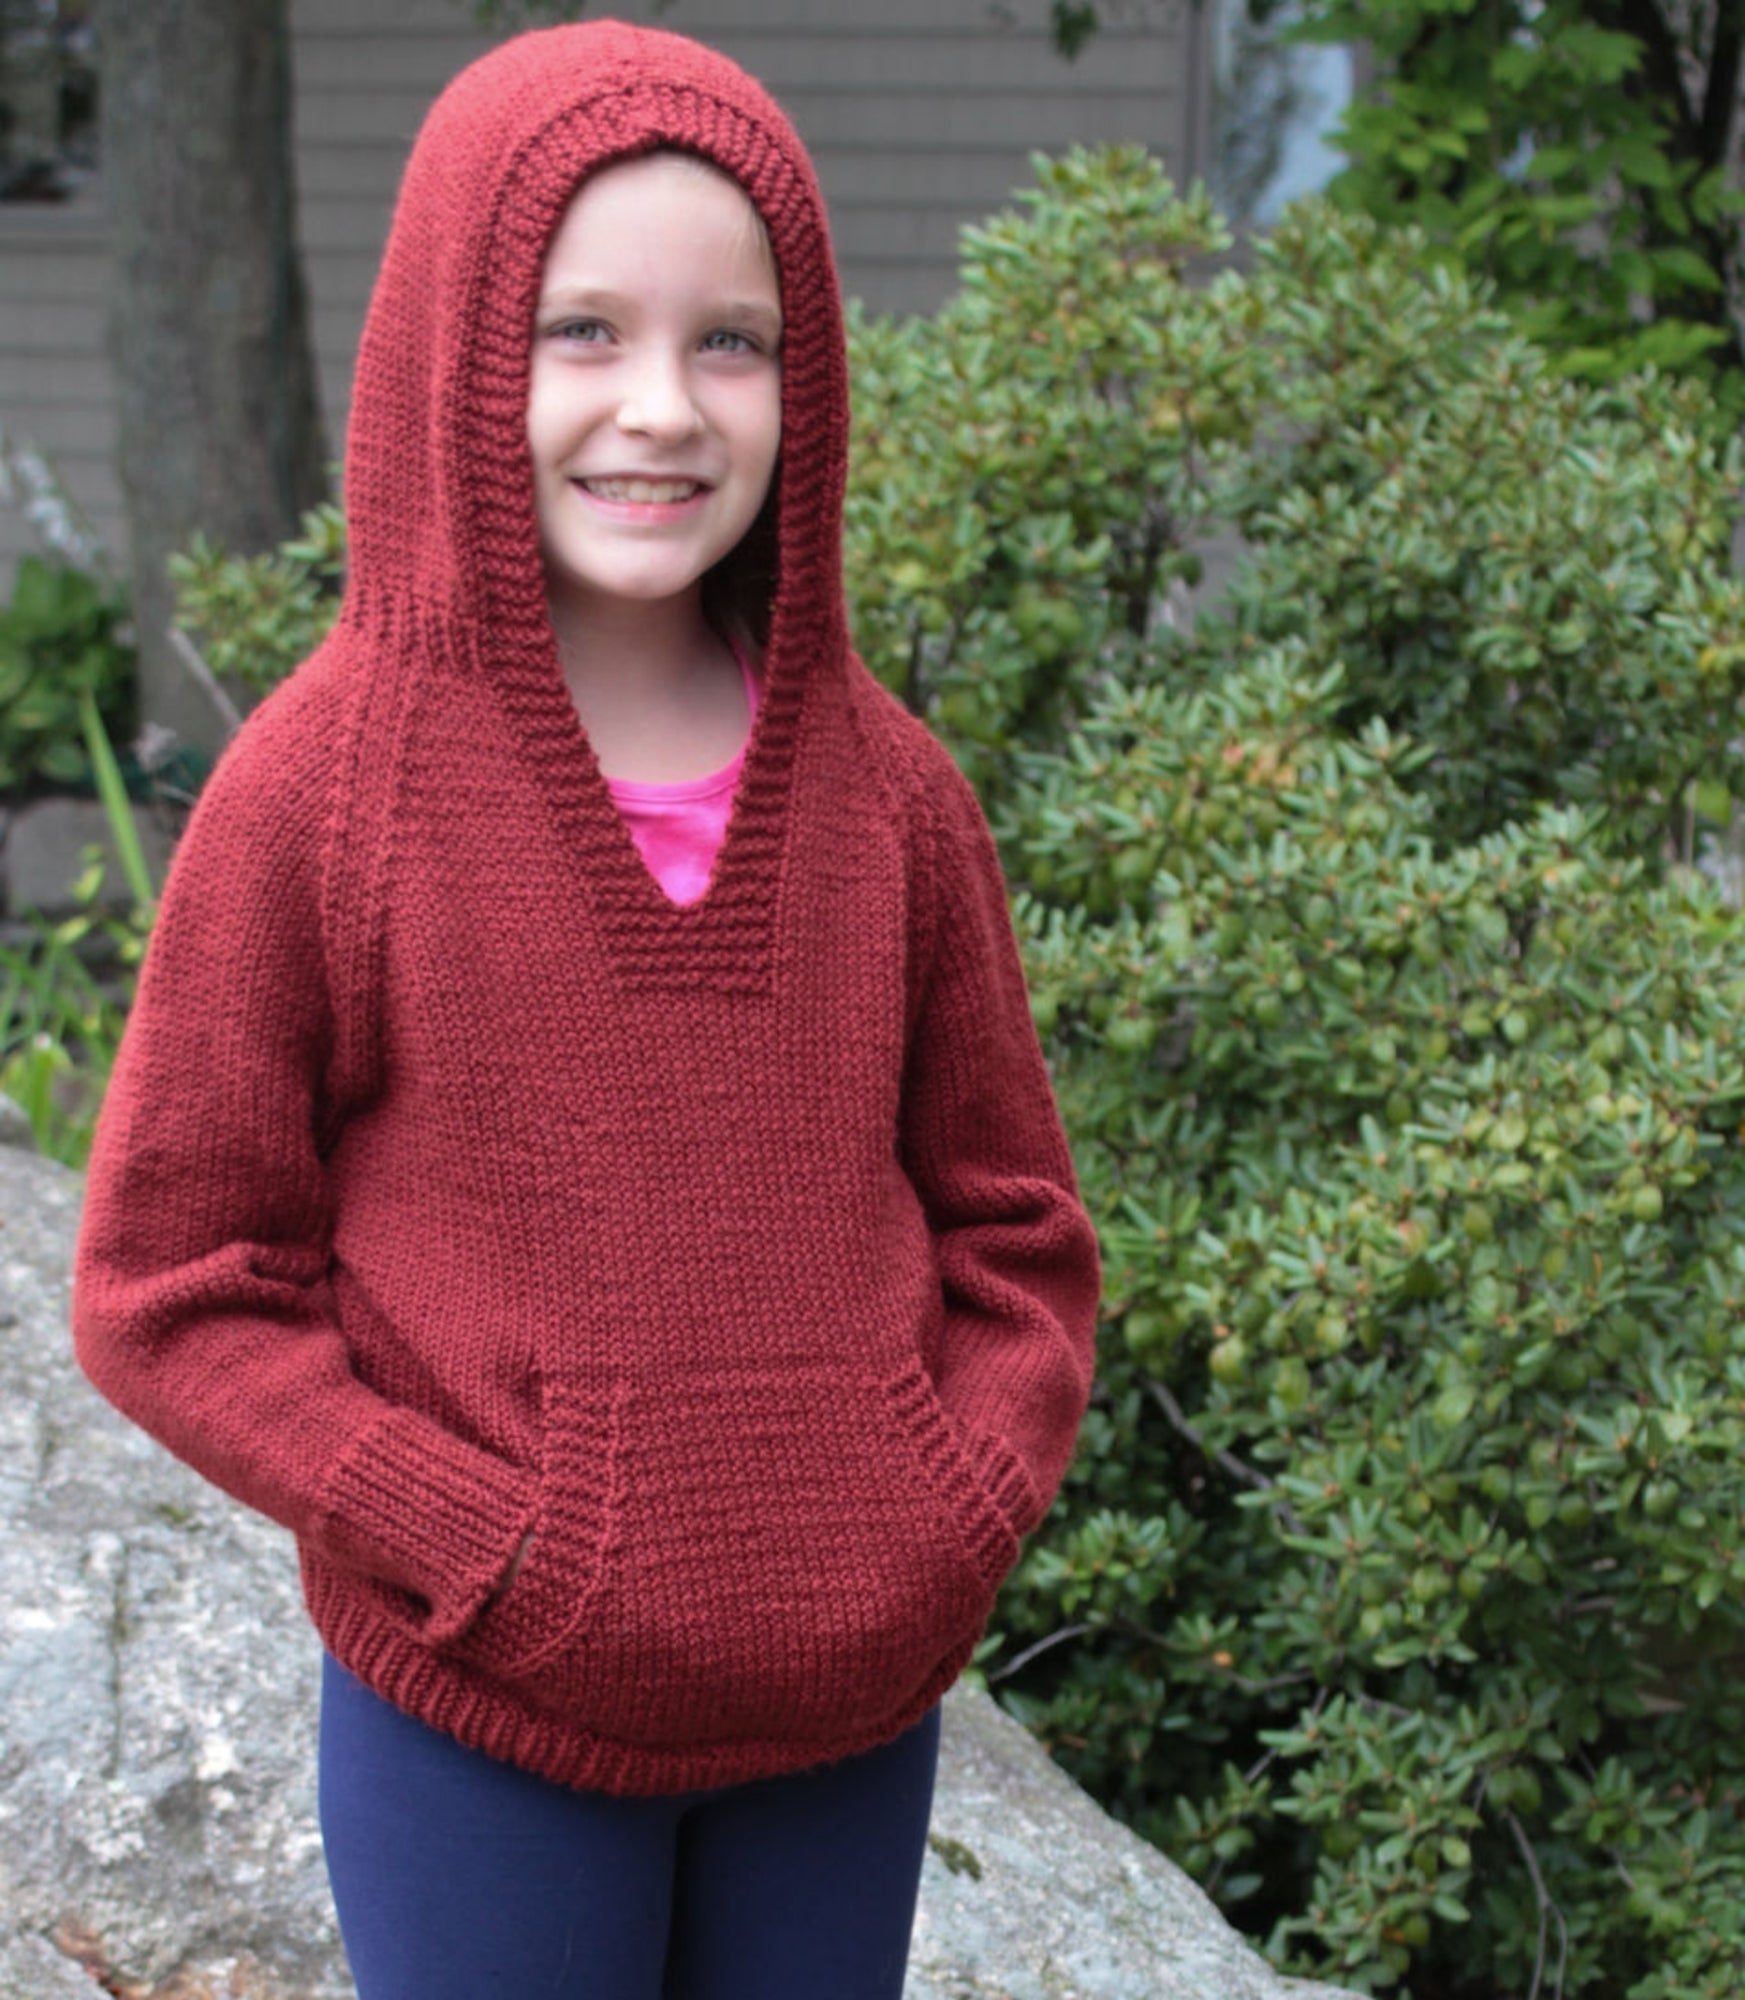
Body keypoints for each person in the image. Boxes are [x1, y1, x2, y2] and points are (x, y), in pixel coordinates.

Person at [71, 21, 1101, 2000]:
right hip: (486, 1732)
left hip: (842, 1733)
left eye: (734, 341)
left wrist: (943, 1501)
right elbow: (169, 1275)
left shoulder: (892, 799)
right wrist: (471, 1529)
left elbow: (1015, 1229)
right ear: (454, 346)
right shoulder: (332, 789)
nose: (664, 408)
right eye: (581, 334)